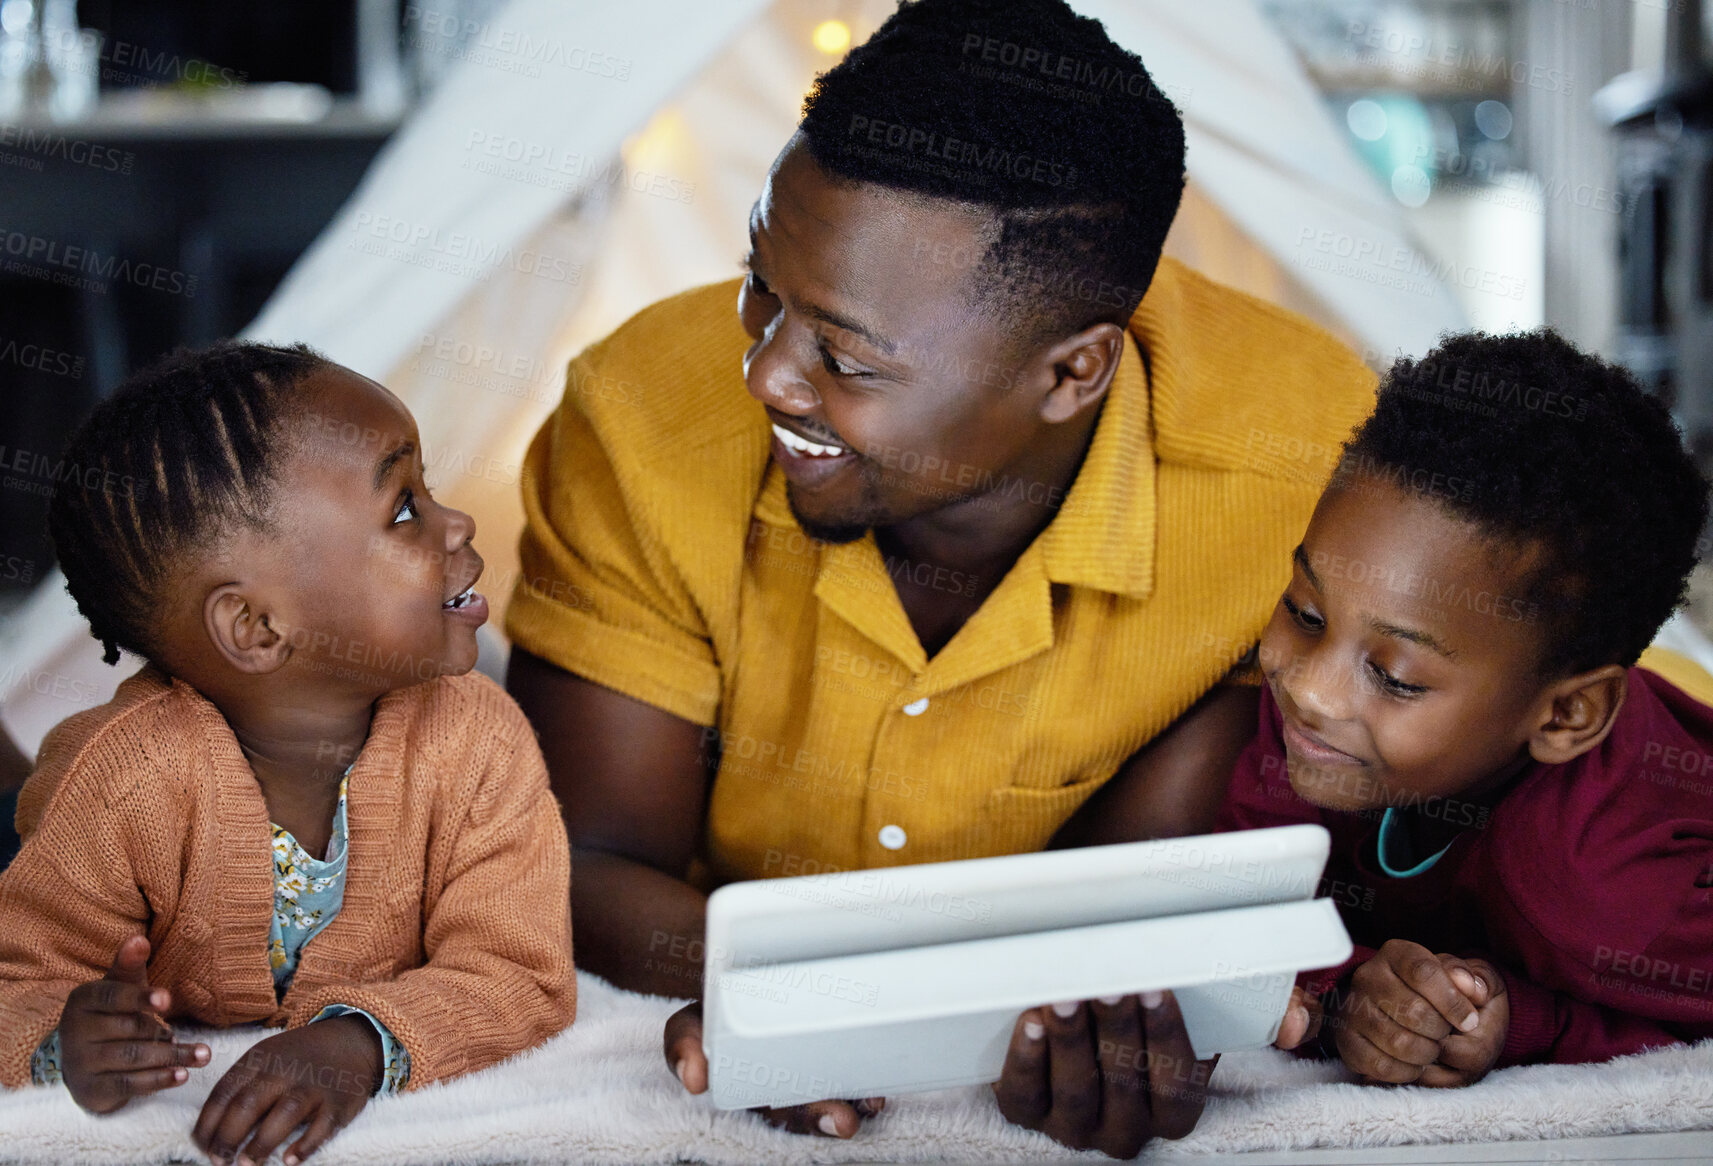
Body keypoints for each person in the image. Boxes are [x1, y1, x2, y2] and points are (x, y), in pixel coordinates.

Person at [504, 0, 1374, 1154]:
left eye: (848, 357)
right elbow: (588, 861)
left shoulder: (1305, 470)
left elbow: (1170, 902)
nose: (764, 374)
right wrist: (836, 1012)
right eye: (758, 282)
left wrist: (1076, 1001)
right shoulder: (642, 416)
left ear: (1074, 372)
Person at [0, 343, 575, 1165]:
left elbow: (522, 970)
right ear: (259, 629)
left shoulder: (479, 742)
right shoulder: (118, 780)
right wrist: (67, 1042)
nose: (457, 523)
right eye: (404, 509)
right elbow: (17, 977)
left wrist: (359, 1043)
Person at [1217, 329, 1713, 1086]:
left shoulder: (1600, 891)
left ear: (1562, 717)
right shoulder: (1316, 719)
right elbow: (1247, 905)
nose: (1311, 689)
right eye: (1305, 612)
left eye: (1395, 675)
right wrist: (1346, 990)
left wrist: (1528, 1022)